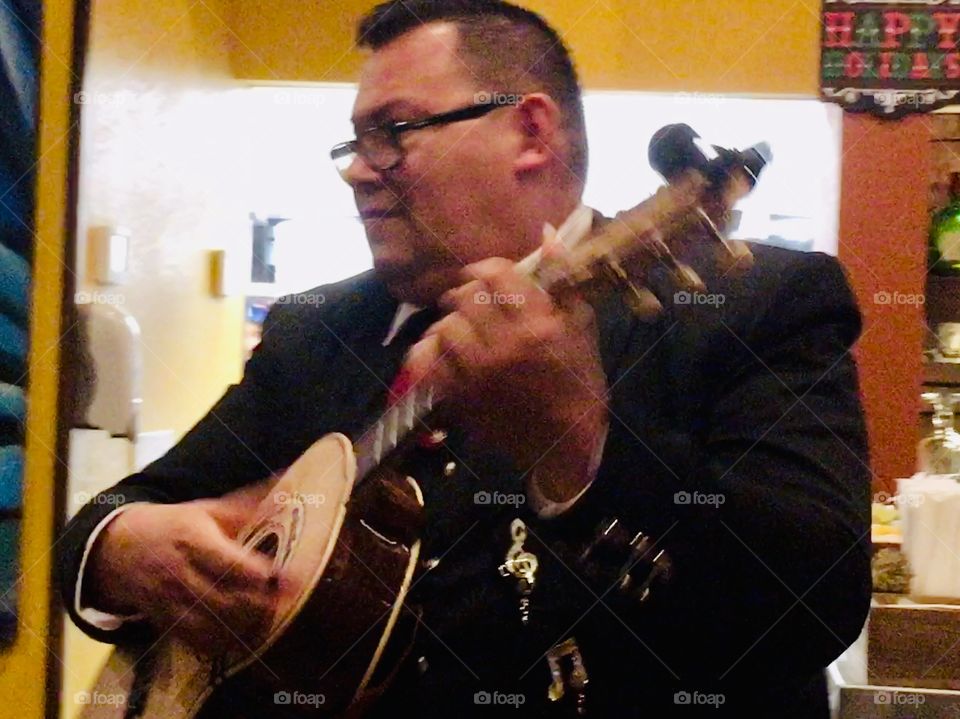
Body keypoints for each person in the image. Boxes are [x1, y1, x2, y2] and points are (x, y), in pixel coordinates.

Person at [59, 1, 872, 716]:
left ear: (530, 132)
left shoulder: (758, 305)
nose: (358, 172)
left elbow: (810, 607)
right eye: (353, 142)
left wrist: (579, 443)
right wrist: (128, 544)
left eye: (394, 132)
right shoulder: (316, 329)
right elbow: (109, 519)